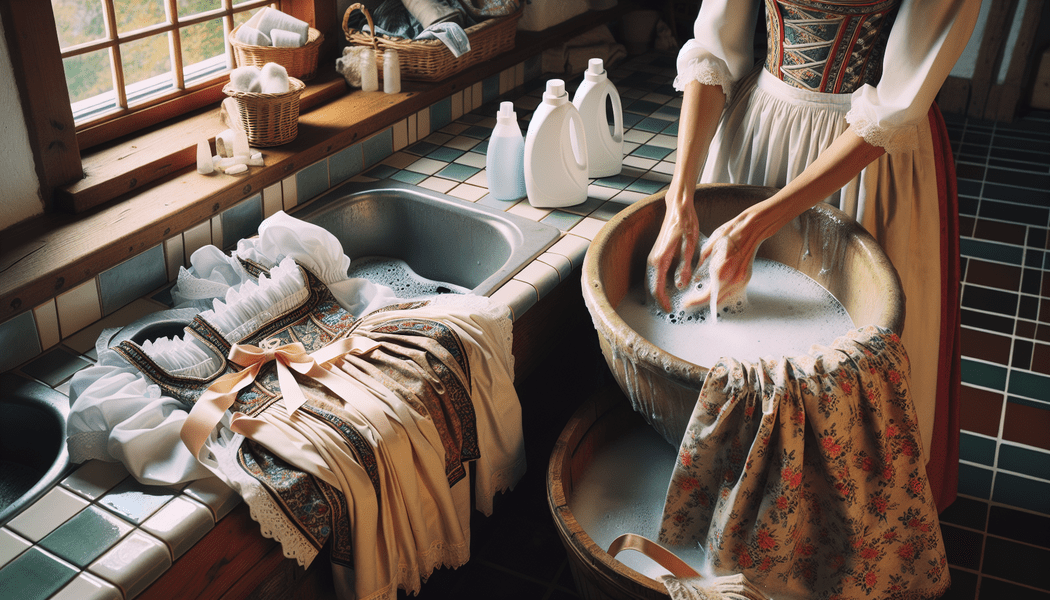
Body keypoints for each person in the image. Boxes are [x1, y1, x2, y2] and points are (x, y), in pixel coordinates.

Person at [647, 0, 980, 510]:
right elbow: (714, 50)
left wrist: (757, 223)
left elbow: (896, 104)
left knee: (843, 367)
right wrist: (680, 195)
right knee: (731, 349)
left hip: (866, 154)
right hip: (758, 131)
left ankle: (830, 532)